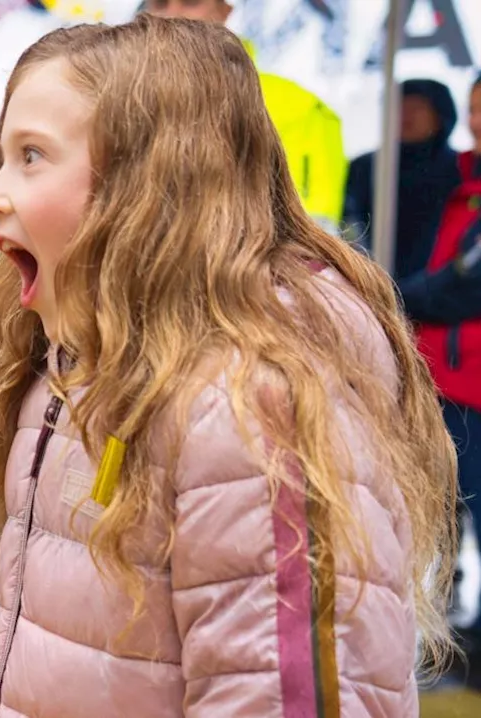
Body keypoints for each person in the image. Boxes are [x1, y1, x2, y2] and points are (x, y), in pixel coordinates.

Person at [0, 15, 457, 717]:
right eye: (2, 157)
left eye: (32, 156)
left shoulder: (251, 400)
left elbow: (278, 696)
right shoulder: (71, 362)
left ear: (148, 182)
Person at [397, 71, 482, 683]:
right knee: (444, 514)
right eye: (477, 110)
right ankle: (455, 641)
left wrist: (392, 296)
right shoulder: (463, 184)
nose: (479, 121)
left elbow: (461, 283)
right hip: (448, 381)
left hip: (471, 386)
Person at [145, 0, 347, 233]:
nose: (173, 15)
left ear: (226, 10)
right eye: (160, 3)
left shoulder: (299, 107)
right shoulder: (118, 100)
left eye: (192, 2)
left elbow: (312, 234)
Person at [346, 79, 462, 280]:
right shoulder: (366, 167)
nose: (405, 115)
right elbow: (349, 222)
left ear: (440, 115)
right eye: (398, 107)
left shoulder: (461, 168)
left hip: (442, 291)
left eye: (416, 108)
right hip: (372, 282)